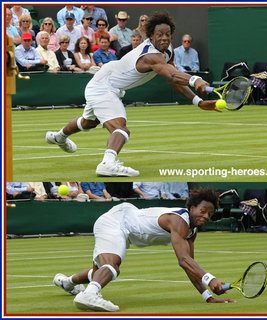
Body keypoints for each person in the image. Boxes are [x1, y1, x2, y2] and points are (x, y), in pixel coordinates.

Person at [45, 10, 220, 177]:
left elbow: (172, 79)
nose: (164, 38)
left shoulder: (168, 51)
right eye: (160, 34)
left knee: (89, 122)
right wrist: (195, 80)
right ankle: (107, 163)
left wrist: (198, 101)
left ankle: (58, 137)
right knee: (121, 128)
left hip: (104, 81)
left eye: (168, 34)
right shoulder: (149, 55)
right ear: (151, 35)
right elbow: (173, 74)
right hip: (103, 85)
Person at [53, 187, 234, 311]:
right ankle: (89, 294)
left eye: (210, 214)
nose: (206, 216)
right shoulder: (179, 220)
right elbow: (183, 260)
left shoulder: (191, 231)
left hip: (125, 228)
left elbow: (189, 265)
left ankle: (67, 282)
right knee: (111, 267)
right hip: (116, 222)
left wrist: (207, 296)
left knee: (99, 272)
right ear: (192, 207)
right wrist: (211, 279)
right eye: (203, 211)